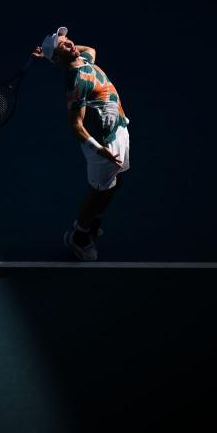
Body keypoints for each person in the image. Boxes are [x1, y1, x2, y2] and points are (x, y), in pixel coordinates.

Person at [32, 26, 130, 261]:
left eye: (67, 39)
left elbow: (91, 49)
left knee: (115, 183)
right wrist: (100, 151)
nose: (69, 43)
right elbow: (76, 124)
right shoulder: (77, 82)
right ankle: (80, 237)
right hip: (103, 144)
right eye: (62, 45)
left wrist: (52, 55)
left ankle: (93, 223)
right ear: (58, 58)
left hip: (118, 130)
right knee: (98, 192)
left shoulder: (84, 59)